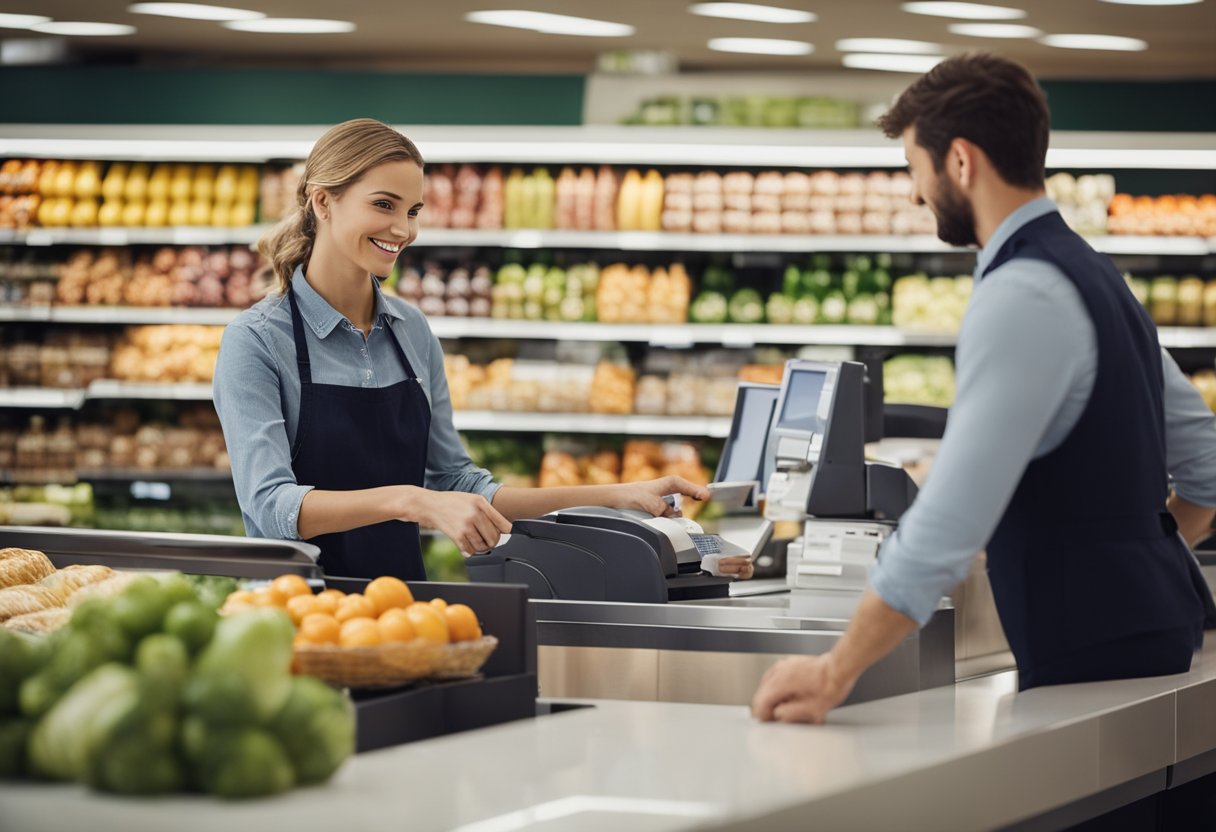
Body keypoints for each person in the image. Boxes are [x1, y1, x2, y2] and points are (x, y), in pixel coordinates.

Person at [752, 53, 1216, 724]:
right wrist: (1140, 556)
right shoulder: (1093, 273)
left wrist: (834, 669)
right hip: (1150, 643)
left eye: (916, 168)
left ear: (961, 163)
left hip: (1084, 663)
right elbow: (1207, 463)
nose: (916, 192)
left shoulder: (1020, 294)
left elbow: (950, 521)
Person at [213, 118, 754, 582]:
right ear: (323, 201)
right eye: (384, 205)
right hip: (292, 611)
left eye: (414, 210)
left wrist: (618, 495)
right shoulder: (258, 341)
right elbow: (271, 505)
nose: (403, 230)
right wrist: (414, 501)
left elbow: (460, 484)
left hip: (401, 607)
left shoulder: (410, 330)